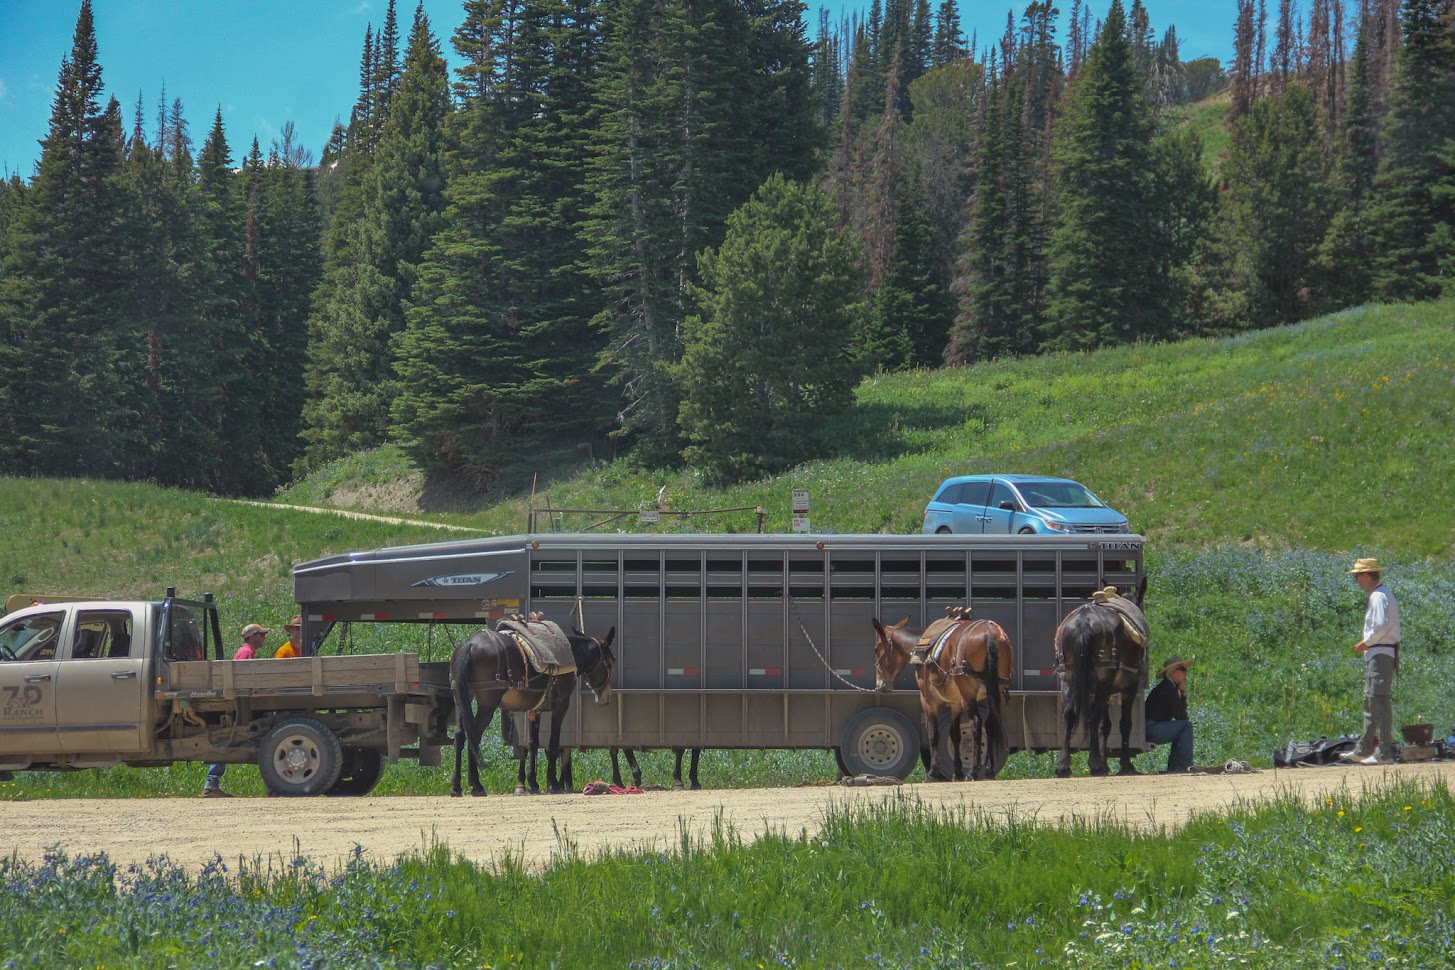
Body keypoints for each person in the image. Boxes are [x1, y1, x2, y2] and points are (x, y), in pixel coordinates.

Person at [1338, 558, 1401, 766]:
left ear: (1366, 575)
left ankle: (1384, 753)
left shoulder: (1378, 596)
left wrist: (1367, 642)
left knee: (1379, 702)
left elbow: (1380, 626)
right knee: (1371, 701)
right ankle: (1364, 749)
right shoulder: (1381, 595)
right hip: (1378, 654)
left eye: (1357, 576)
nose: (1356, 580)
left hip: (1380, 653)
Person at [201, 623, 269, 798]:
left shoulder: (245, 651)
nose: (263, 638)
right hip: (238, 705)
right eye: (261, 635)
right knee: (228, 740)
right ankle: (211, 785)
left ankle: (211, 785)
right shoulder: (247, 653)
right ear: (252, 637)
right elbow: (244, 683)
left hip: (235, 703)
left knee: (226, 741)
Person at [1144, 657, 1194, 773]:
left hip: (1151, 726)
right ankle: (1185, 766)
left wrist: (1182, 694)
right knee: (1186, 726)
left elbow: (1180, 717)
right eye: (1182, 669)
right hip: (1151, 727)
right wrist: (1184, 695)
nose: (1185, 672)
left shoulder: (1168, 687)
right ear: (1172, 672)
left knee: (1182, 727)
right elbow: (1182, 717)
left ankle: (1175, 768)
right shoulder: (1168, 689)